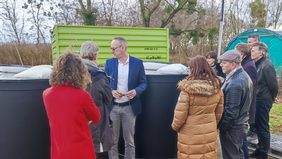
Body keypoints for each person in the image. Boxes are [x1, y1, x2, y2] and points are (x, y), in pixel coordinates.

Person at [43, 51, 101, 159]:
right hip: (81, 151)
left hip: (58, 151)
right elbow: (96, 117)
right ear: (79, 73)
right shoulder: (82, 95)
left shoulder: (46, 94)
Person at [171, 56, 224, 159]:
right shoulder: (217, 87)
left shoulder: (187, 91)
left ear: (193, 70)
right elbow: (218, 113)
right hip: (210, 131)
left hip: (189, 133)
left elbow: (179, 116)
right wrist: (211, 125)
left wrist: (175, 127)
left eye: (189, 69)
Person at [104, 37, 147, 159]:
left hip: (130, 108)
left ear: (122, 48)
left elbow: (143, 83)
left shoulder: (137, 63)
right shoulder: (109, 62)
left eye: (113, 48)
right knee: (112, 141)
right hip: (113, 108)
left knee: (129, 141)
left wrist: (135, 91)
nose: (111, 51)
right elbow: (104, 84)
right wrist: (111, 91)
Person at [80, 41, 114, 159]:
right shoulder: (100, 76)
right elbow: (108, 99)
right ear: (95, 56)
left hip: (77, 125)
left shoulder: (71, 75)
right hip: (97, 125)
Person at [217, 50, 253, 159]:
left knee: (231, 156)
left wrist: (222, 128)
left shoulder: (235, 82)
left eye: (224, 62)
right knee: (238, 155)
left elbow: (231, 112)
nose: (221, 65)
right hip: (239, 126)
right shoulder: (241, 76)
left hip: (232, 129)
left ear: (233, 64)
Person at [249, 42, 278, 159]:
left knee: (263, 127)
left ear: (260, 53)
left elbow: (274, 86)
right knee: (257, 127)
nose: (251, 52)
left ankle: (264, 153)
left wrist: (270, 99)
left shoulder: (267, 65)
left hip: (263, 100)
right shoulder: (257, 64)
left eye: (253, 50)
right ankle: (259, 149)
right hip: (257, 100)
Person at [235, 43, 258, 159]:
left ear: (241, 54)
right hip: (244, 106)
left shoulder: (248, 66)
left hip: (245, 107)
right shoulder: (246, 63)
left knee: (242, 137)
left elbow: (248, 88)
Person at [247, 33, 260, 141]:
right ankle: (251, 130)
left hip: (259, 91)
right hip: (256, 90)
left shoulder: (261, 57)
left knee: (255, 112)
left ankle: (254, 132)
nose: (249, 44)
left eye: (250, 42)